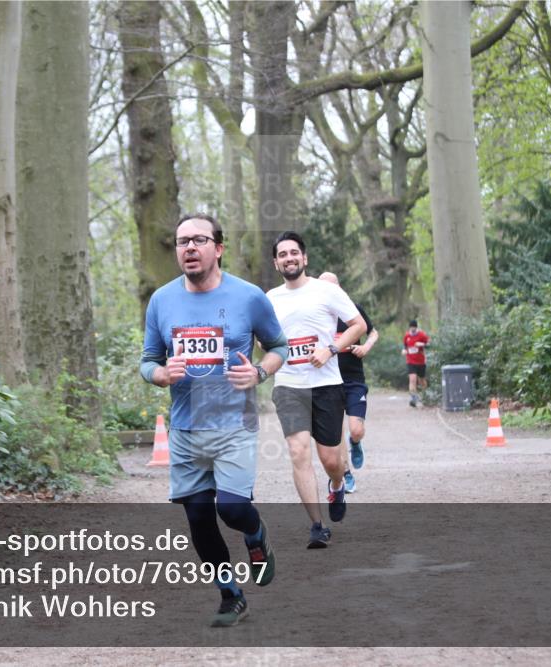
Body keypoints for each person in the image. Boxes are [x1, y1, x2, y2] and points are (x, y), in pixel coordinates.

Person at [140, 213, 288, 628]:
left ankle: (255, 536)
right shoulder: (162, 301)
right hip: (186, 430)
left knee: (233, 509)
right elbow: (148, 360)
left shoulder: (249, 297)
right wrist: (160, 374)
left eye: (199, 240)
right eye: (182, 241)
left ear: (218, 248)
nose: (189, 247)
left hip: (234, 425)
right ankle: (230, 595)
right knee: (199, 520)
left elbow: (279, 347)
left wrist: (258, 372)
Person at [266, 232, 366, 549]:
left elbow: (359, 325)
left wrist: (331, 349)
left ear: (304, 258)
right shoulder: (269, 299)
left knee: (331, 460)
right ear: (276, 263)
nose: (289, 258)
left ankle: (336, 485)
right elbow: (263, 338)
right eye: (283, 254)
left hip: (326, 384)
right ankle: (317, 525)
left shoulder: (327, 291)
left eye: (294, 252)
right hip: (288, 386)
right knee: (298, 453)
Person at [318, 272, 378, 493]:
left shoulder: (352, 310)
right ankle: (346, 474)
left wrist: (365, 347)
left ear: (339, 288)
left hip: (353, 379)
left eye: (331, 288)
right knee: (335, 432)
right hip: (327, 380)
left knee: (356, 429)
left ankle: (355, 441)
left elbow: (373, 333)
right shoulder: (315, 315)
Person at [403, 319, 430, 407]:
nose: (412, 329)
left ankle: (425, 396)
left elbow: (429, 344)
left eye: (414, 327)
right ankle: (414, 398)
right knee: (412, 379)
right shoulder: (407, 335)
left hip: (421, 362)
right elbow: (405, 346)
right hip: (410, 361)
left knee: (422, 380)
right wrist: (404, 350)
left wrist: (422, 344)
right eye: (411, 327)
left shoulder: (422, 334)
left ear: (416, 327)